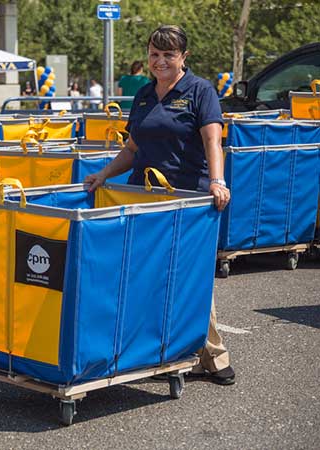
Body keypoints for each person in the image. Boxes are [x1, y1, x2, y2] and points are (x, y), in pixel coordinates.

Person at [83, 25, 234, 385]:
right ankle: (156, 352)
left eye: (168, 54)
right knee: (147, 273)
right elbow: (133, 149)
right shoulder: (144, 95)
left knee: (190, 275)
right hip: (145, 197)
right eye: (154, 54)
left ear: (184, 57)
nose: (160, 60)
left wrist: (217, 181)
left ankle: (214, 356)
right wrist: (103, 174)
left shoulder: (199, 91)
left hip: (188, 198)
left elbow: (213, 140)